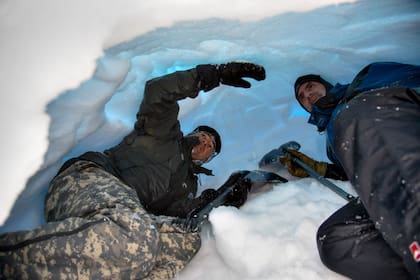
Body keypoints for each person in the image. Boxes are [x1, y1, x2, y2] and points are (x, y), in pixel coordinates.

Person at [0, 62, 266, 279]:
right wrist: (212, 75)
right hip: (90, 179)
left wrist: (219, 199)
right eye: (203, 135)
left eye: (211, 147)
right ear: (192, 133)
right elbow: (158, 92)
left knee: (185, 242)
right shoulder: (164, 135)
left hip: (122, 219)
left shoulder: (188, 186)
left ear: (208, 160)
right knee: (135, 235)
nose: (205, 142)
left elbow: (177, 219)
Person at [280, 62, 420, 279]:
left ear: (326, 84)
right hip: (389, 177)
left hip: (402, 121)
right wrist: (315, 168)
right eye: (301, 97)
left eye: (310, 86)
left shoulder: (366, 78)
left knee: (360, 116)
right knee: (335, 241)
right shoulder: (332, 140)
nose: (307, 95)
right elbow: (358, 170)